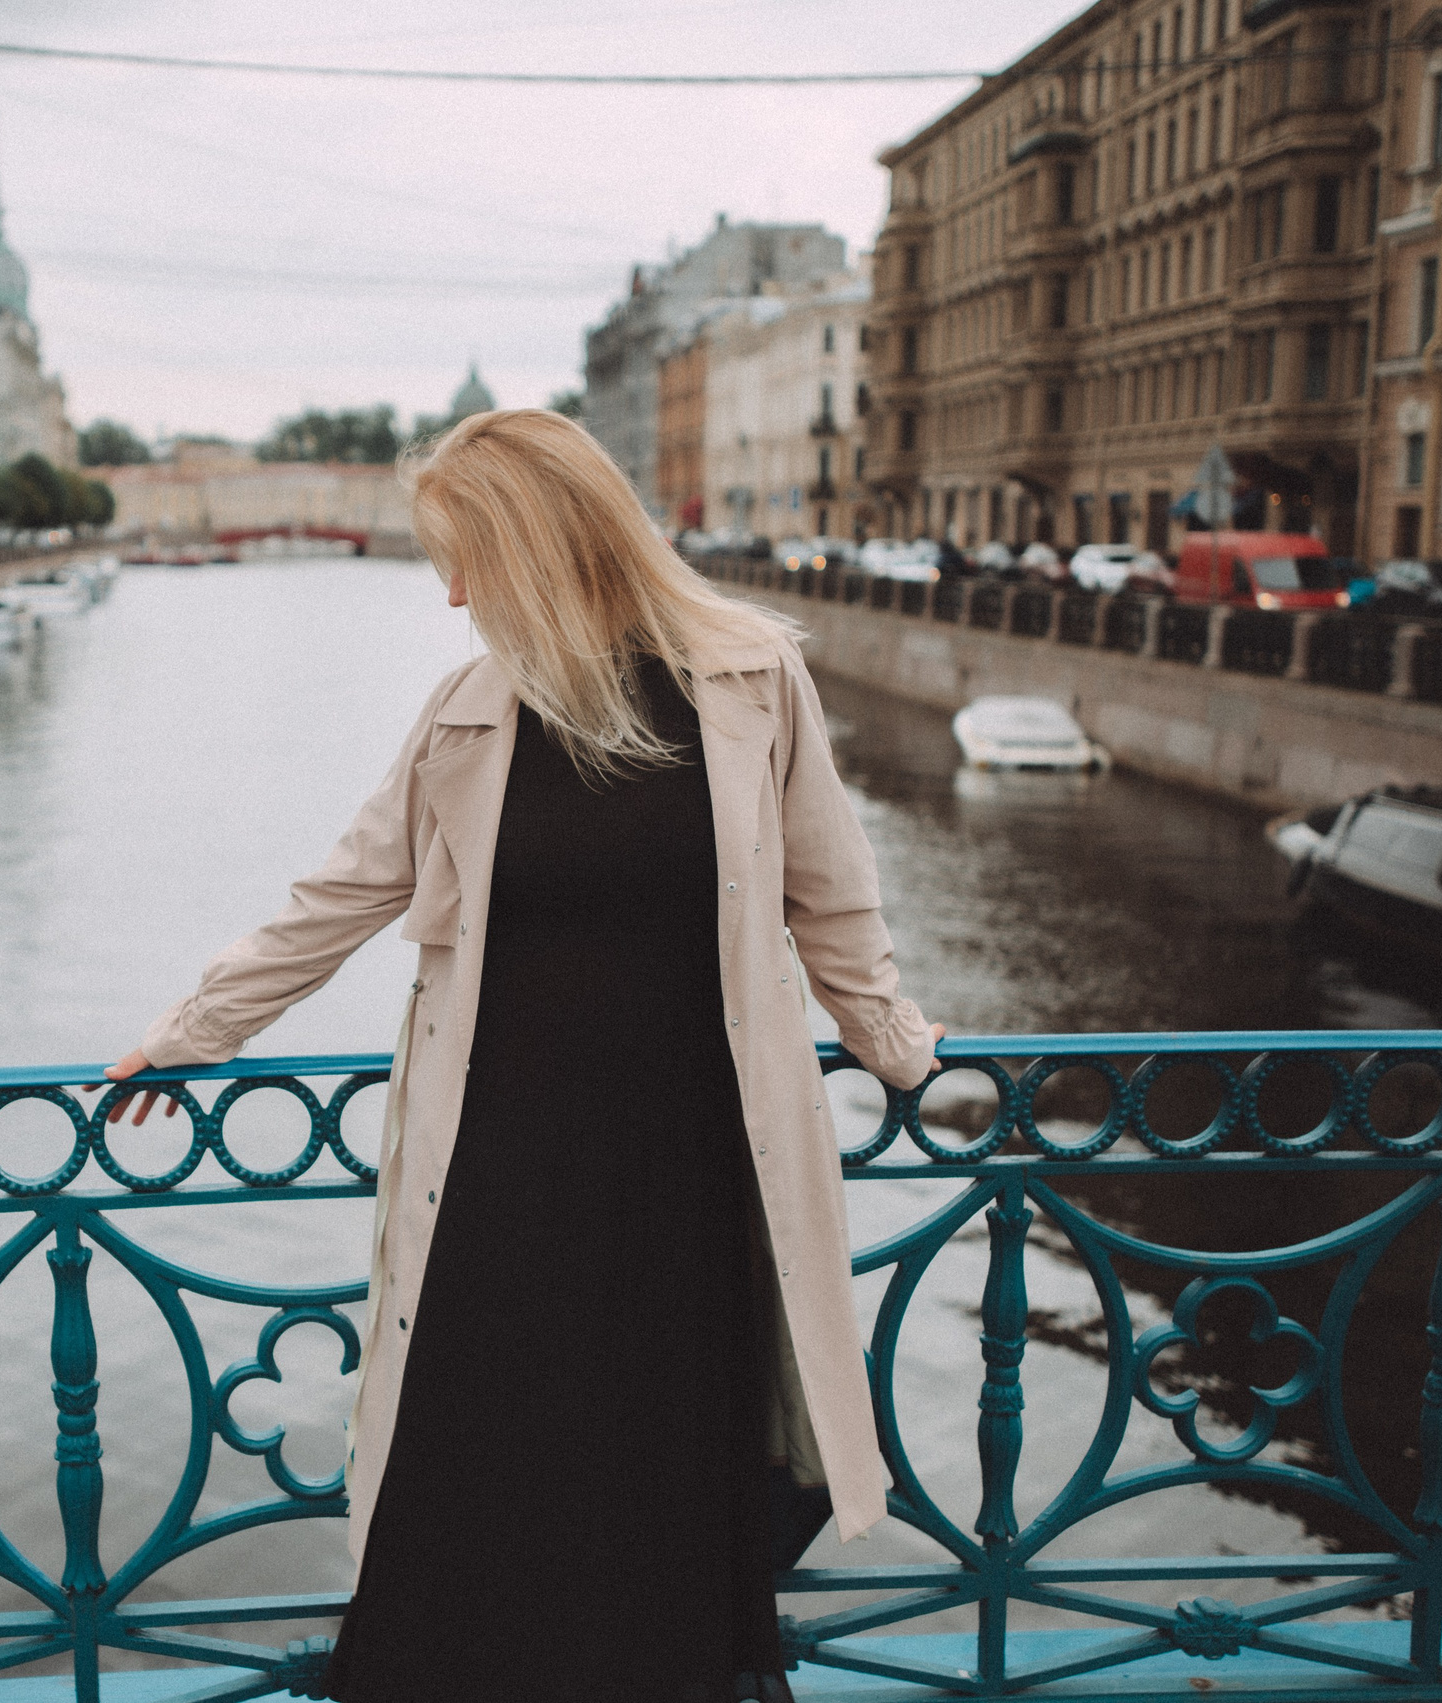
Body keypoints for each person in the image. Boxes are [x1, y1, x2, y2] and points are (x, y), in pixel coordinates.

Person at [103, 409, 940, 1703]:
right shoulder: (468, 715)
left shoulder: (751, 681)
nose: (452, 595)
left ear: (543, 545)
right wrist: (191, 1033)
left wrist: (898, 1049)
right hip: (500, 1169)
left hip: (685, 1172)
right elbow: (340, 896)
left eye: (467, 560)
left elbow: (834, 894)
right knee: (478, 1485)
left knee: (655, 1488)